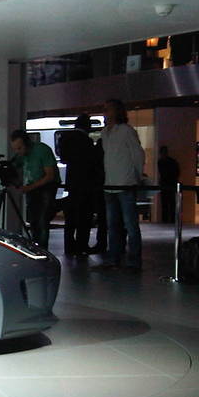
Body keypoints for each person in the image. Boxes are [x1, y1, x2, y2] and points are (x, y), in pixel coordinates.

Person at [97, 98, 144, 270]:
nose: (105, 113)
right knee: (114, 225)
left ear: (117, 111)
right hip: (110, 185)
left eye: (108, 109)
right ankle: (115, 257)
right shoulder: (105, 133)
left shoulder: (126, 131)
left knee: (130, 225)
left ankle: (133, 260)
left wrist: (137, 176)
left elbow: (138, 155)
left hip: (124, 183)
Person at [10, 130, 58, 250]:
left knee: (42, 221)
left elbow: (50, 176)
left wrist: (28, 188)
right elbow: (13, 166)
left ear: (27, 143)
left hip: (46, 188)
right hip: (32, 189)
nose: (18, 152)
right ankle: (36, 248)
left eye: (19, 148)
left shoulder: (42, 150)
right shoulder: (22, 155)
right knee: (33, 221)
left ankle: (42, 250)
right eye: (15, 149)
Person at [57, 114, 98, 255]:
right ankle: (82, 246)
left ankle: (69, 246)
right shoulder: (86, 141)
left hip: (71, 183)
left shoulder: (66, 138)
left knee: (70, 219)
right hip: (85, 184)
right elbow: (91, 163)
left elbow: (63, 158)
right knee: (84, 218)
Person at [157, 145, 180, 224]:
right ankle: (171, 220)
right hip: (170, 184)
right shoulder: (172, 161)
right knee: (170, 203)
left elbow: (163, 173)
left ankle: (166, 220)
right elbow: (177, 172)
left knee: (167, 203)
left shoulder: (161, 162)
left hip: (166, 184)